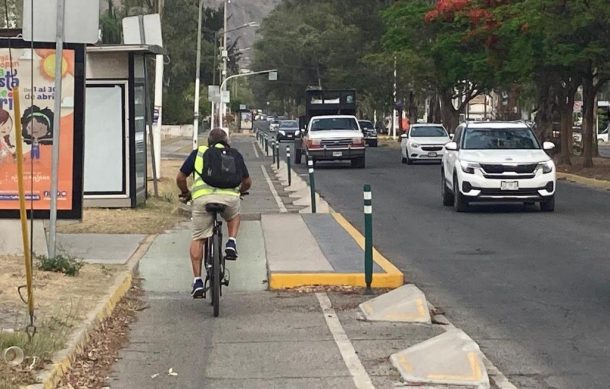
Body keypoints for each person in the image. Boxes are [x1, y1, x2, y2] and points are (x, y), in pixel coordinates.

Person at [176, 128, 252, 298]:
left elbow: (180, 178)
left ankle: (197, 282)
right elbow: (247, 181)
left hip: (202, 199)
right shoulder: (234, 154)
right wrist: (239, 192)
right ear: (227, 141)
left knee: (199, 238)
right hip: (229, 198)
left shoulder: (199, 153)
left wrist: (185, 192)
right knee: (233, 216)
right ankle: (231, 242)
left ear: (208, 142)